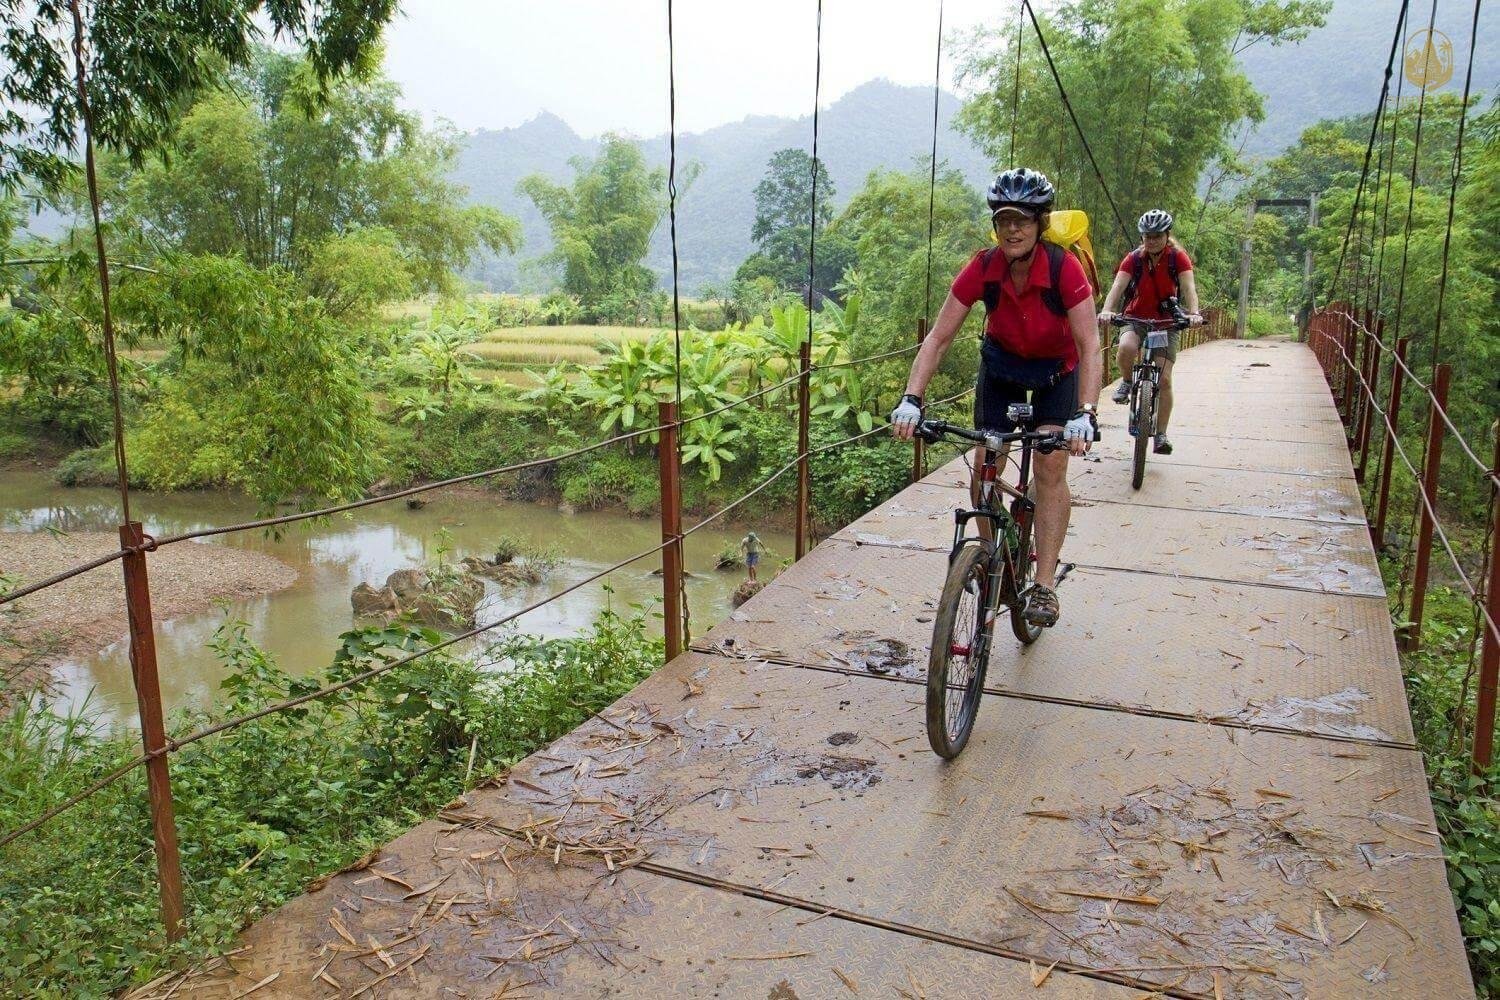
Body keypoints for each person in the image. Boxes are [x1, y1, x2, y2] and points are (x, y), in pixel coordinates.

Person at [890, 168, 1101, 628]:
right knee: (986, 463)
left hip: (1056, 373)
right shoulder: (983, 267)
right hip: (1003, 369)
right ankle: (989, 558)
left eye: (1023, 219)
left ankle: (1043, 584)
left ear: (1040, 223)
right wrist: (912, 398)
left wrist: (1087, 413)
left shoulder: (1064, 268)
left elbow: (1089, 344)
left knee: (1050, 465)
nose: (1013, 228)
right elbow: (939, 338)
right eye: (1004, 218)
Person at [1097, 209, 1205, 456]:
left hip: (1167, 321)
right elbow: (1118, 286)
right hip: (1135, 317)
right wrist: (1107, 310)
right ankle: (1126, 381)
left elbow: (1189, 289)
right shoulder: (1133, 259)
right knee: (1126, 347)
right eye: (1147, 236)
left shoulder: (1178, 258)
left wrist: (1194, 313)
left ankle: (1162, 434)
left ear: (1167, 235)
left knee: (1164, 378)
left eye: (1157, 236)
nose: (1152, 240)